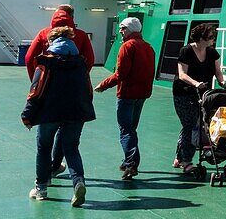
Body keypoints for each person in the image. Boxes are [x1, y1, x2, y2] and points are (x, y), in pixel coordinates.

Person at [22, 25, 96, 206]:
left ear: (51, 41)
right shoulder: (80, 62)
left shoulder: (47, 62)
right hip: (76, 112)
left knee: (44, 147)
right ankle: (78, 182)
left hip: (50, 113)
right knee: (71, 148)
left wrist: (28, 114)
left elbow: (36, 90)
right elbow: (87, 89)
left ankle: (41, 188)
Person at [94, 17, 156, 180]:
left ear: (131, 30)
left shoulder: (127, 46)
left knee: (126, 130)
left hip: (127, 94)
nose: (120, 31)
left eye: (123, 28)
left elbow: (121, 74)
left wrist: (103, 85)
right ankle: (128, 160)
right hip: (142, 94)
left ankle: (131, 163)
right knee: (131, 128)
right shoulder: (148, 47)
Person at [171, 22, 225, 174]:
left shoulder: (212, 53)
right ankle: (186, 161)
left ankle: (179, 156)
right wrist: (196, 83)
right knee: (190, 125)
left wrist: (222, 81)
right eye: (210, 37)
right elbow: (182, 74)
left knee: (195, 125)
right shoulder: (186, 51)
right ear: (201, 38)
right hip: (184, 93)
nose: (213, 39)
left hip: (203, 94)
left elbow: (217, 71)